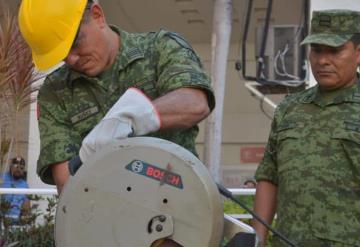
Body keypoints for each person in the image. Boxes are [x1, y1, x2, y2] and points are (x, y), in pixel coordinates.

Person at [19, 1, 214, 246]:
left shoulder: (159, 49)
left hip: (177, 225)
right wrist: (87, 158)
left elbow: (196, 103)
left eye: (75, 43)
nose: (72, 58)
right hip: (108, 231)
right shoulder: (56, 91)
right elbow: (66, 182)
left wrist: (138, 116)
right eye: (61, 55)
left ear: (98, 15)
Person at [252, 9, 360, 247]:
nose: (322, 60)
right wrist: (256, 240)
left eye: (335, 50)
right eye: (317, 50)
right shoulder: (290, 107)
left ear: (358, 52)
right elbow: (269, 176)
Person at [1, 156, 30, 225]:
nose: (18, 169)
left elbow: (26, 206)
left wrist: (23, 223)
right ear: (10, 167)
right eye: (16, 166)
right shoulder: (1, 178)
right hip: (1, 220)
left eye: (21, 168)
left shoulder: (25, 185)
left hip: (15, 224)